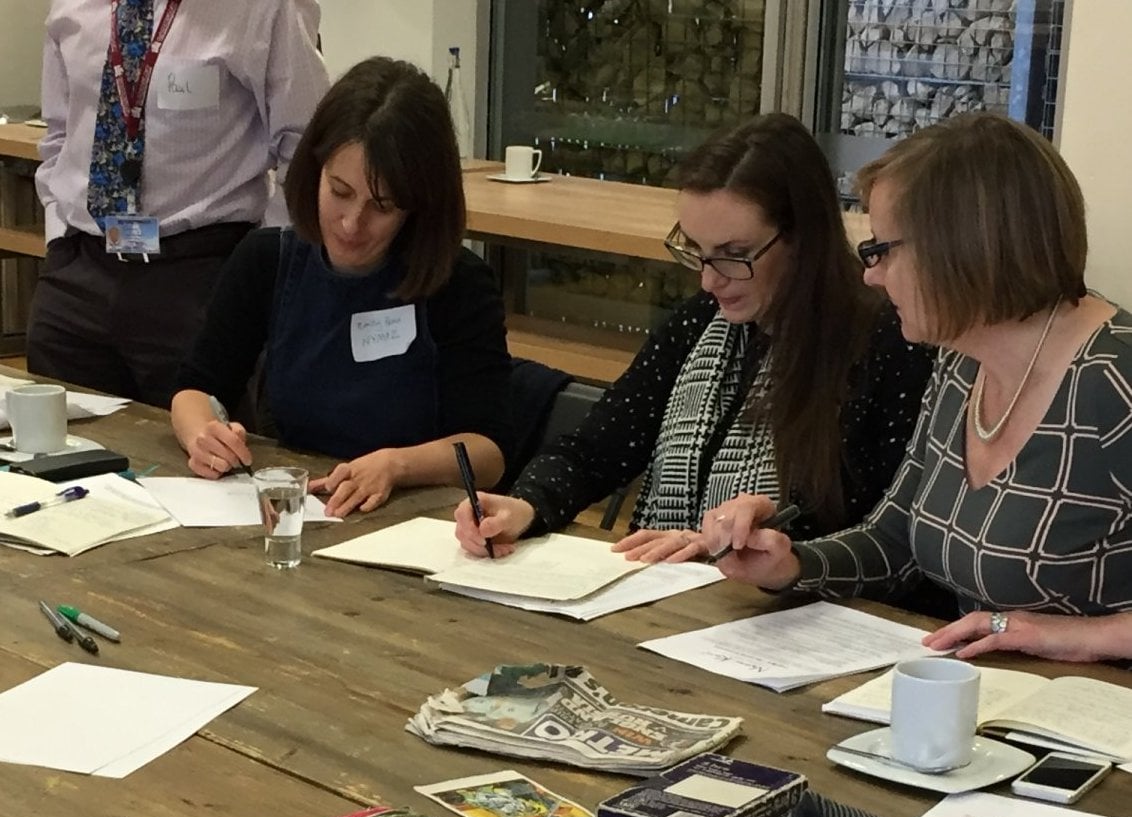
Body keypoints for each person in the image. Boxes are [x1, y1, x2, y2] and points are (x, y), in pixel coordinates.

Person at [701, 112, 1132, 664]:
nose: (870, 275)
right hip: (989, 701)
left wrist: (1077, 637)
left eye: (883, 250)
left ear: (963, 246)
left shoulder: (1112, 375)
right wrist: (790, 565)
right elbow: (897, 538)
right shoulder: (960, 360)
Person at [455, 114, 934, 559]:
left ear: (803, 238)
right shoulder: (702, 324)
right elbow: (596, 448)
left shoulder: (885, 341)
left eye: (733, 254)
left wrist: (729, 547)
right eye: (697, 251)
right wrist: (526, 504)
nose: (710, 280)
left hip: (796, 615)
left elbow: (878, 531)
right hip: (684, 600)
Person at [170, 57, 511, 518]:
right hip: (299, 509)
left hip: (414, 519)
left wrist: (398, 465)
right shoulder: (266, 261)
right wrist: (202, 434)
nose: (352, 223)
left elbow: (487, 453)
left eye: (382, 206)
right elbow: (195, 388)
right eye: (340, 191)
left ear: (417, 206)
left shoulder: (458, 284)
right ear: (315, 171)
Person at [32, 0, 329, 407]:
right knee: (55, 453)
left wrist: (260, 265)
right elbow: (59, 132)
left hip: (200, 276)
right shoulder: (73, 5)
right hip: (79, 273)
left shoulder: (265, 7)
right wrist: (58, 240)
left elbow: (307, 145)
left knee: (203, 456)